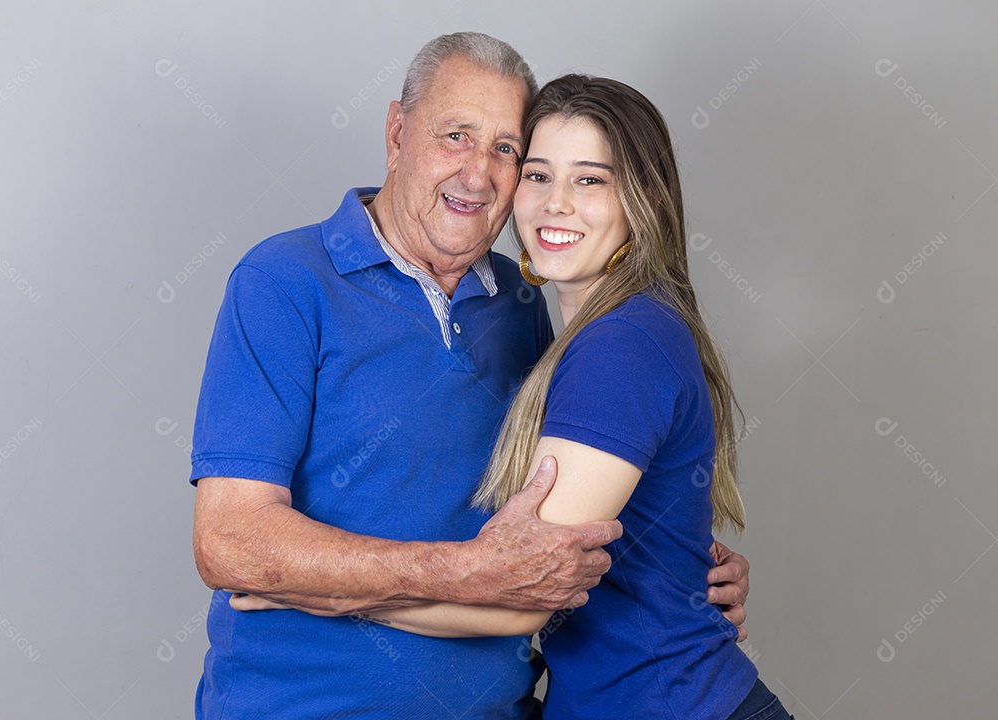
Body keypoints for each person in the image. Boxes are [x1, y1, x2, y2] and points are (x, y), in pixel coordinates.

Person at [191, 33, 752, 719]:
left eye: (506, 150)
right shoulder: (283, 282)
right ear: (398, 134)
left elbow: (561, 525)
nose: (479, 174)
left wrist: (677, 565)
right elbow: (230, 541)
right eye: (455, 135)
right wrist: (461, 571)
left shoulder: (523, 304)